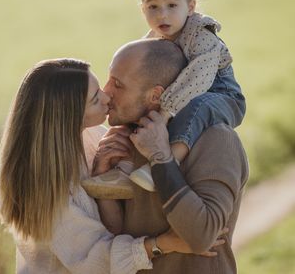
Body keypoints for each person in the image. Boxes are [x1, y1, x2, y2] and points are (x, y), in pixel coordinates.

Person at [0, 58, 224, 274]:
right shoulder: (44, 189)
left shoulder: (92, 138)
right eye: (95, 99)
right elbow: (95, 260)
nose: (107, 98)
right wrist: (167, 243)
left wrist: (102, 177)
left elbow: (111, 228)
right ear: (67, 117)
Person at [82, 0, 246, 195]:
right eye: (153, 7)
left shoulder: (201, 33)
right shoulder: (154, 38)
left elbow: (198, 79)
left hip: (220, 94)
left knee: (197, 107)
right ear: (142, 9)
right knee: (137, 108)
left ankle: (168, 161)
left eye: (171, 5)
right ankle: (121, 169)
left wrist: (166, 111)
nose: (162, 14)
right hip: (182, 94)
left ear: (190, 6)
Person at [92, 40, 249, 273]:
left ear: (156, 95)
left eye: (118, 84)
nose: (106, 92)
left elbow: (201, 236)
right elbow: (120, 235)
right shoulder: (131, 138)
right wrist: (102, 180)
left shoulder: (216, 139)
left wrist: (161, 157)